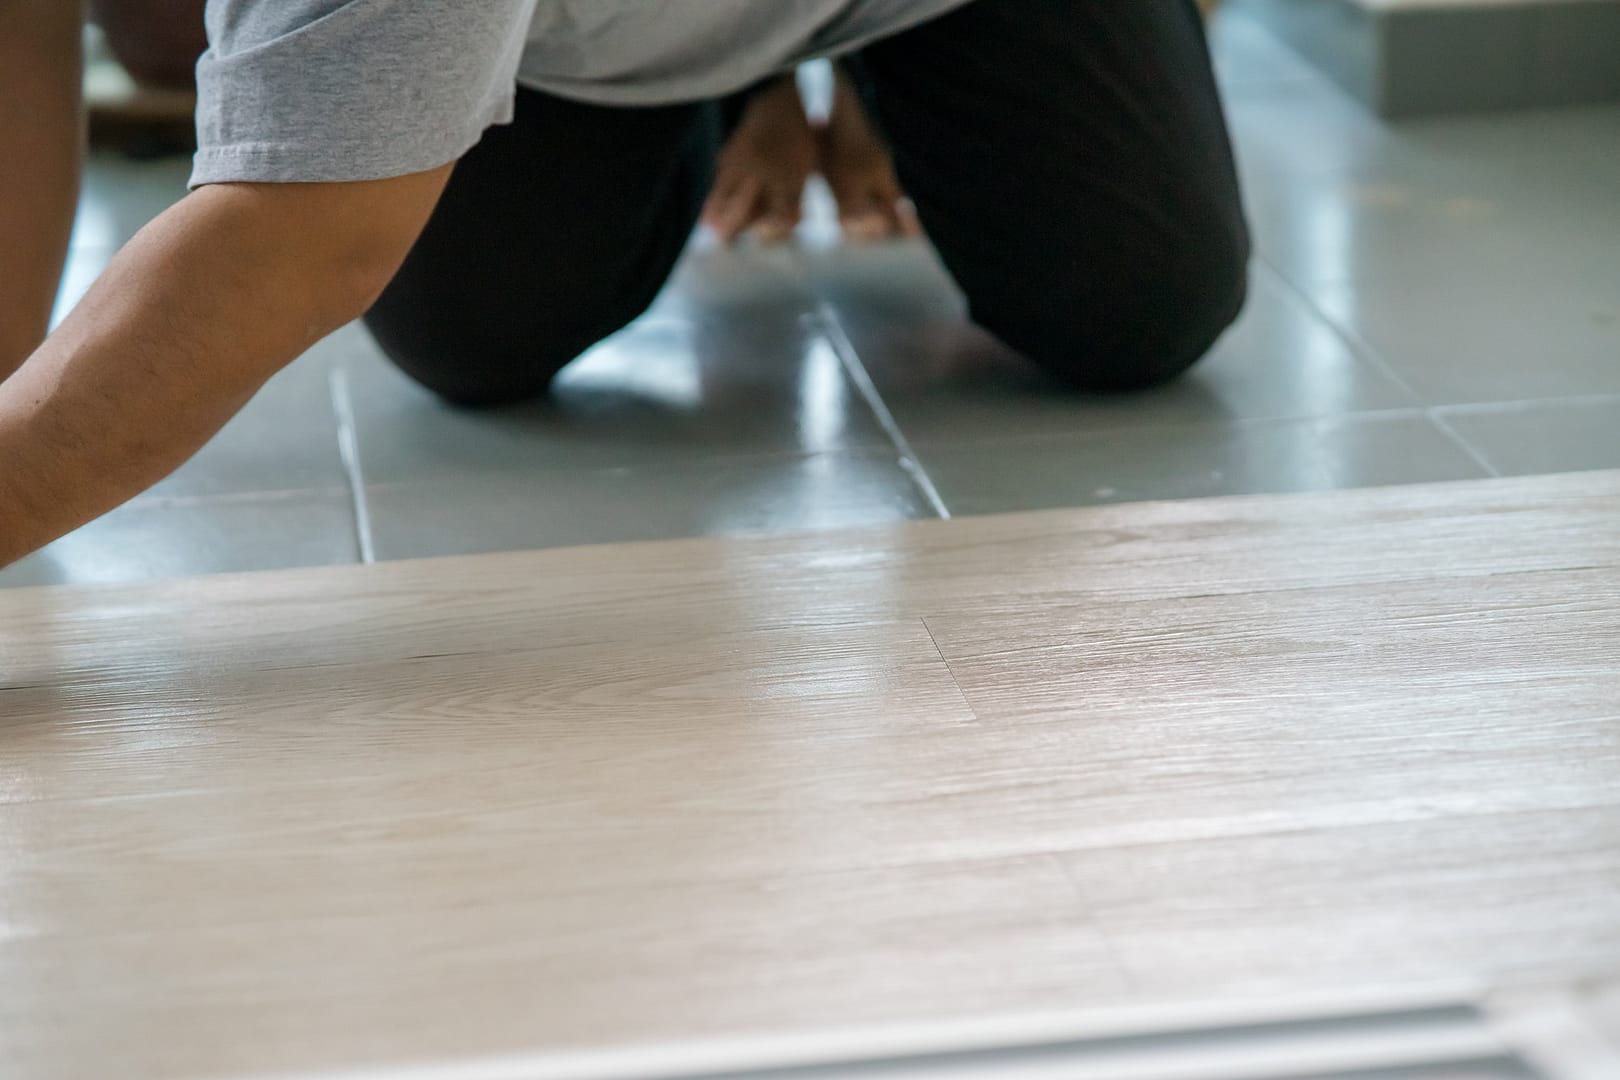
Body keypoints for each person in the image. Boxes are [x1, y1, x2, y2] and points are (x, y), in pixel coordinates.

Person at [0, 0, 1250, 569]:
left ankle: (840, 72)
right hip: (590, 44)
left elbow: (302, 241)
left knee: (1141, 305)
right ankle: (727, 80)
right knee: (475, 339)